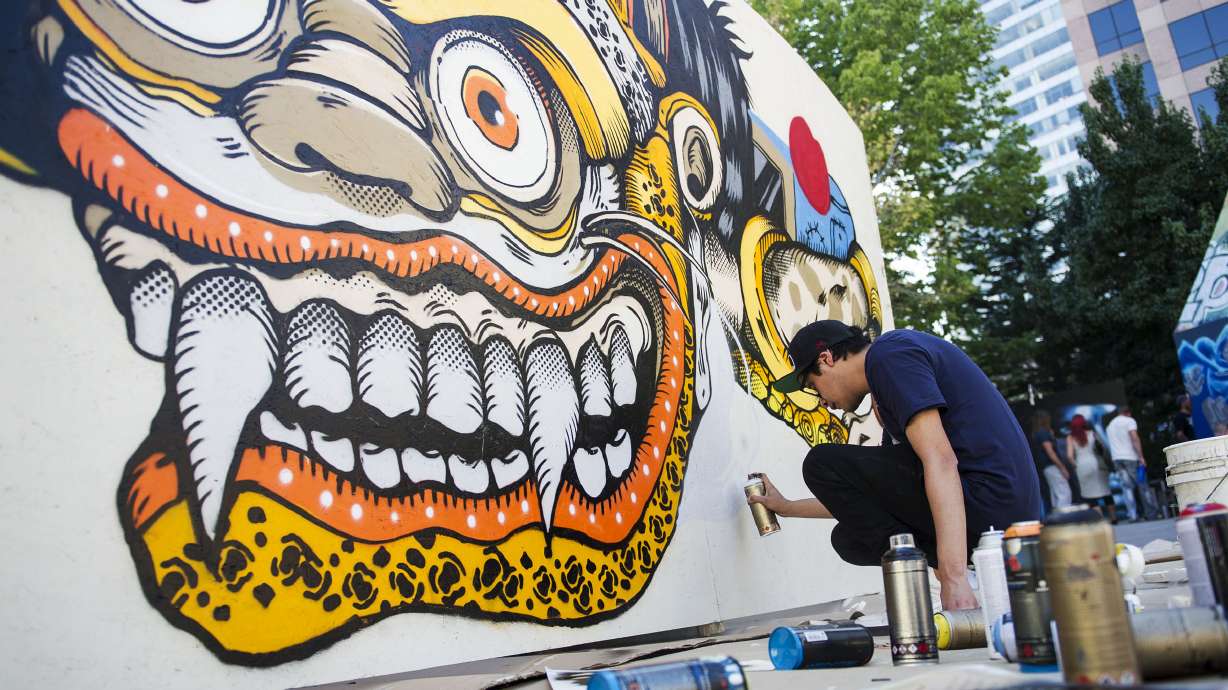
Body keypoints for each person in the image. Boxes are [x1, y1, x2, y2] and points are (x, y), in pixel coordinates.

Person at [747, 321, 1042, 611]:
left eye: (813, 386)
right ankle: (953, 574)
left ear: (826, 358)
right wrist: (787, 508)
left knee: (820, 464)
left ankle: (958, 578)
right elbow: (875, 497)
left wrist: (954, 580)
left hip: (991, 501)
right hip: (992, 510)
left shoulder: (890, 355)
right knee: (849, 539)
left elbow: (940, 461)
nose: (821, 401)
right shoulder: (887, 388)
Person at [1106, 407, 1155, 521]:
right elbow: (1134, 438)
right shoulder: (1129, 421)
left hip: (1117, 458)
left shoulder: (1110, 425)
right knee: (1142, 485)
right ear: (1128, 413)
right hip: (1131, 457)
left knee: (1126, 487)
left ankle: (1132, 515)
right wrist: (1141, 457)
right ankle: (1150, 513)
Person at [1067, 414, 1113, 520]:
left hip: (1081, 466)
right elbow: (1103, 449)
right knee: (1106, 492)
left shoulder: (1070, 437)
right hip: (1096, 464)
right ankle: (1113, 518)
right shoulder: (1092, 433)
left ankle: (1100, 520)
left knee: (1090, 496)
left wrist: (1075, 465)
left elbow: (1069, 456)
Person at [1031, 411, 1072, 511]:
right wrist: (1062, 468)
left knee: (1056, 494)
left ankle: (1057, 517)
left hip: (1047, 468)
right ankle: (1064, 517)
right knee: (1064, 493)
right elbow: (1050, 452)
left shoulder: (1037, 434)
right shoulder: (1043, 433)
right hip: (1052, 466)